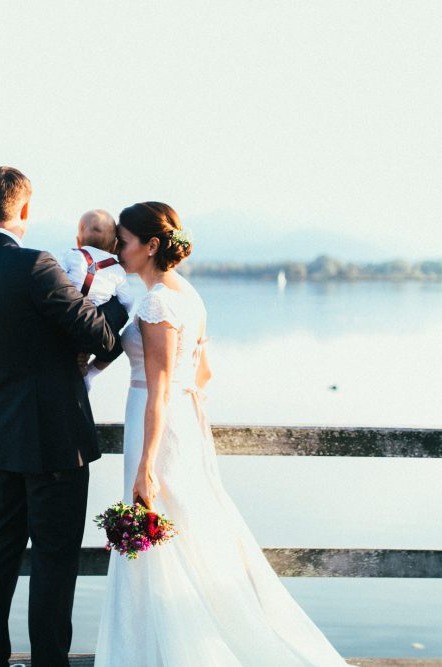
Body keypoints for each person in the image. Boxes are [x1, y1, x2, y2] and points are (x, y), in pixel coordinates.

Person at [94, 202, 351, 666]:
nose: (117, 248)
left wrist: (147, 466)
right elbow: (204, 374)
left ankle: (159, 651)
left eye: (124, 241)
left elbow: (160, 391)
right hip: (183, 425)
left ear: (151, 246)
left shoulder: (155, 303)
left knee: (158, 528)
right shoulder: (187, 294)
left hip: (157, 427)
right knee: (187, 529)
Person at [0, 166, 129, 667]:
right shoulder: (36, 265)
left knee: (0, 547)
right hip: (55, 436)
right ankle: (49, 662)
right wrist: (120, 305)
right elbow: (101, 337)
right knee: (53, 556)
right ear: (24, 209)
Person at [57, 209, 135, 390]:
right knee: (116, 348)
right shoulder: (117, 269)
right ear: (114, 246)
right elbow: (127, 302)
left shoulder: (70, 255)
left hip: (67, 320)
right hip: (96, 326)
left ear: (78, 240)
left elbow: (55, 280)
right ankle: (89, 374)